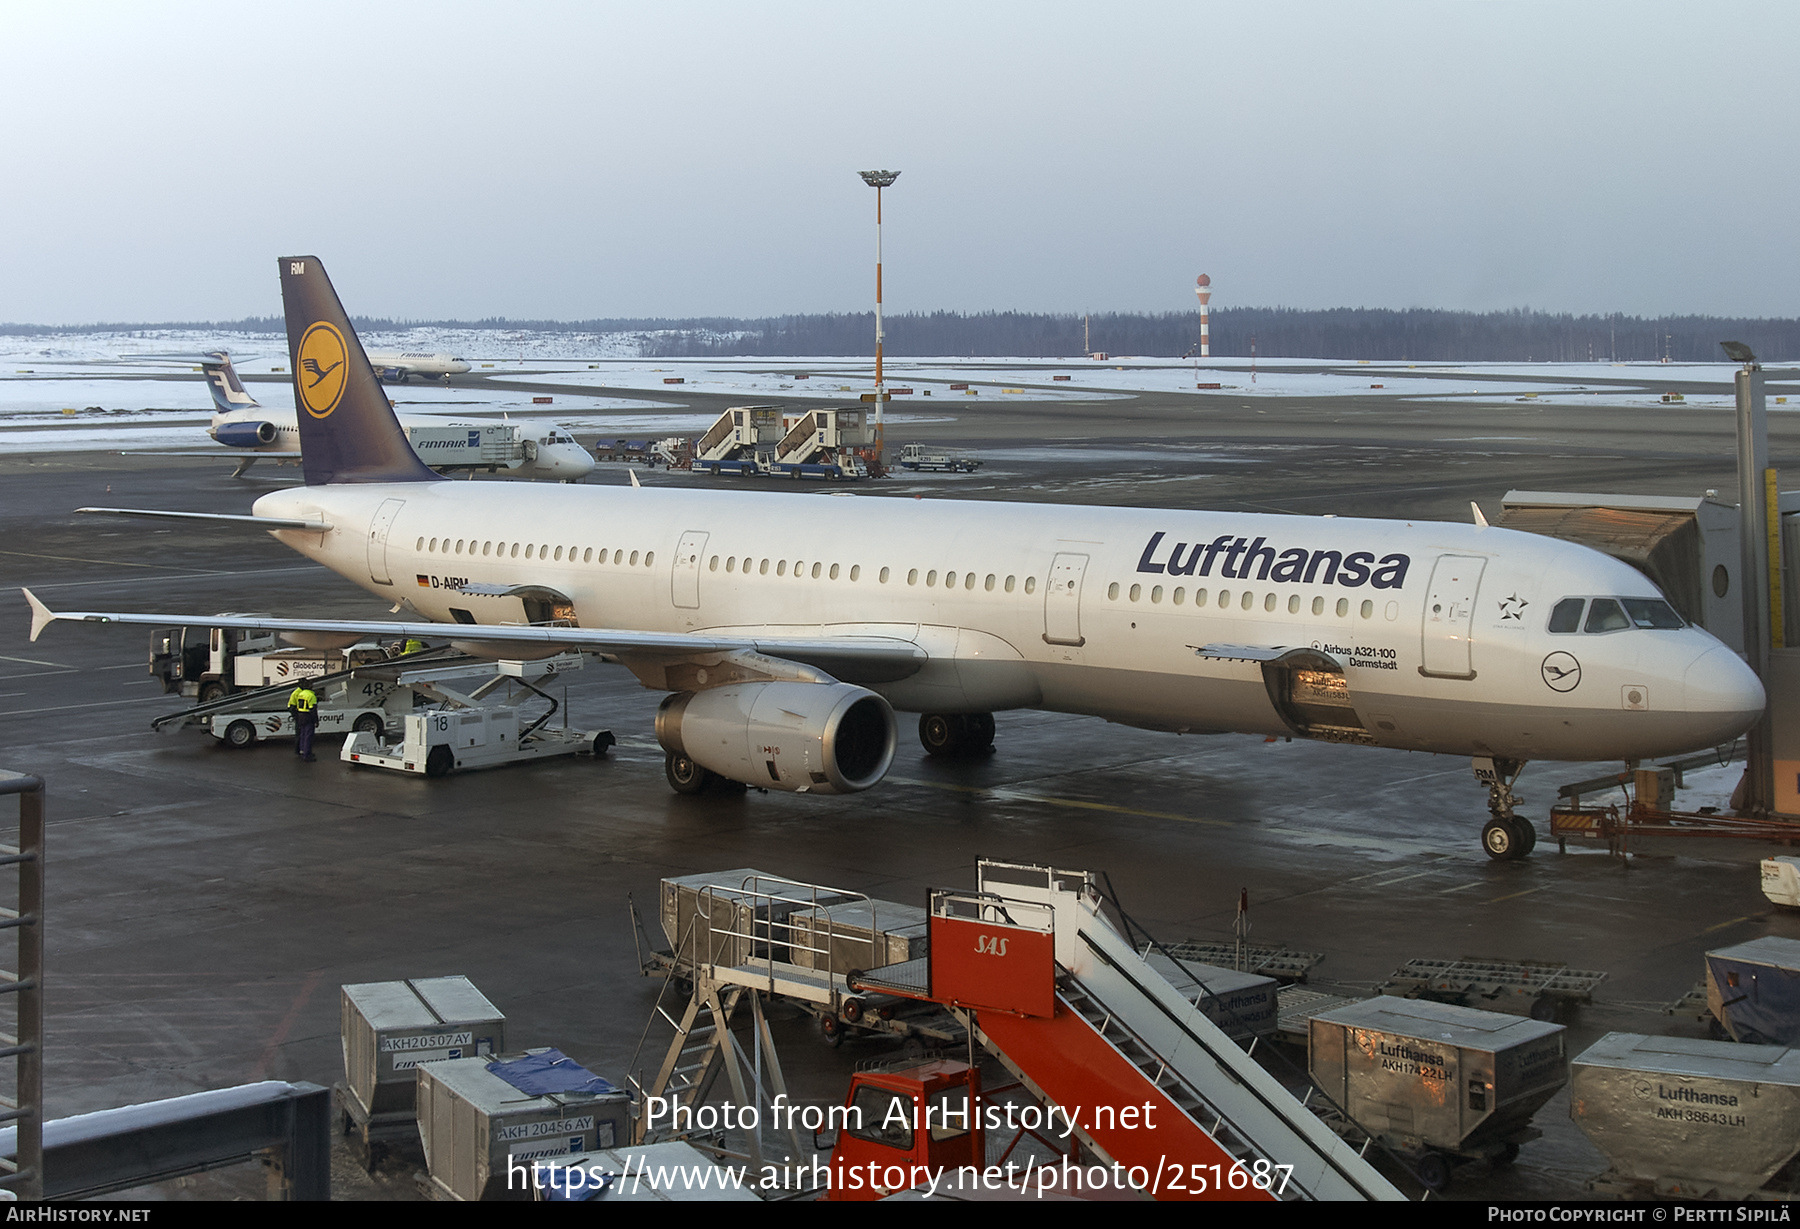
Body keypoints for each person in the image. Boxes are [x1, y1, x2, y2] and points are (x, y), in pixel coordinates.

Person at [287, 684, 318, 762]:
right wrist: (316, 720)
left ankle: (302, 750)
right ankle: (307, 755)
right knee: (308, 736)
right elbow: (313, 710)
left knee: (302, 734)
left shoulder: (300, 694)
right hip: (308, 716)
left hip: (300, 715)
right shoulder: (311, 695)